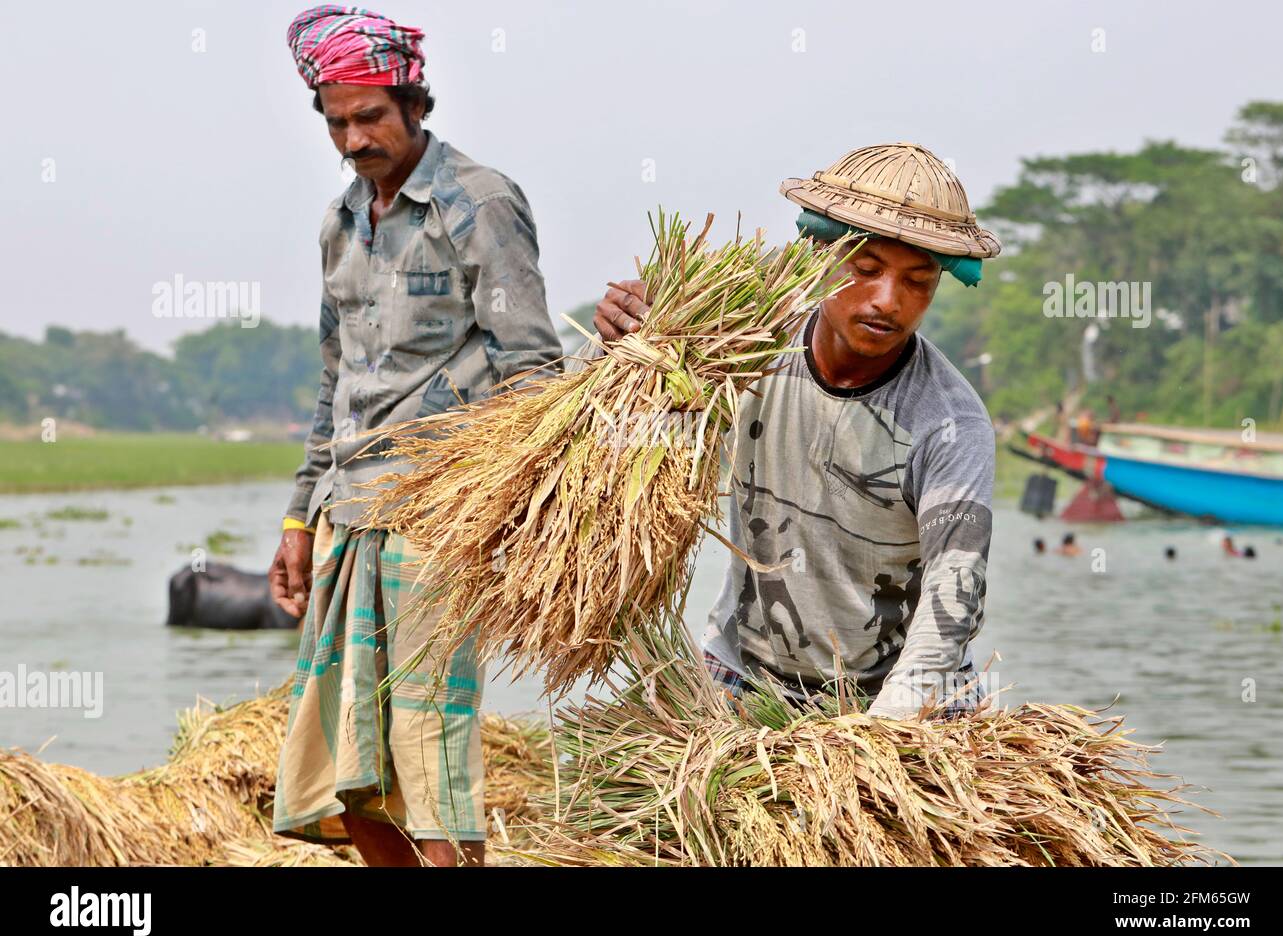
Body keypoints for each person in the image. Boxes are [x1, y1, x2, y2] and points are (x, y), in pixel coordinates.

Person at [268, 6, 563, 867]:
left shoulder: (478, 203)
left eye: (370, 117)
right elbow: (337, 383)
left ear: (413, 104)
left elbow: (532, 373)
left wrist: (526, 518)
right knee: (346, 772)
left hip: (440, 512)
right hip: (346, 513)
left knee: (431, 754)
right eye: (336, 122)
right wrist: (297, 518)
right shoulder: (340, 222)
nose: (355, 138)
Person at [595, 143, 999, 719]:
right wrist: (627, 354)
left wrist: (879, 738)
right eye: (865, 270)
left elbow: (953, 589)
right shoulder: (741, 348)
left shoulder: (950, 422)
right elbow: (639, 447)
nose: (889, 301)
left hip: (897, 690)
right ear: (816, 255)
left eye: (918, 281)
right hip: (748, 673)